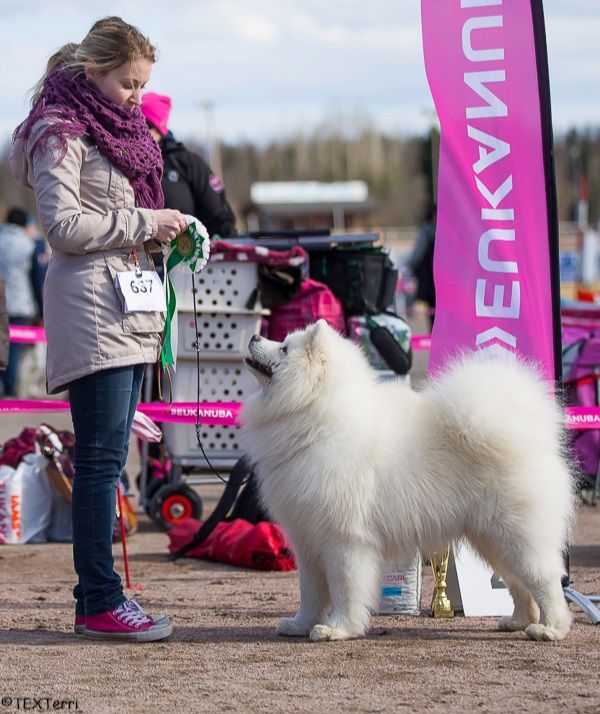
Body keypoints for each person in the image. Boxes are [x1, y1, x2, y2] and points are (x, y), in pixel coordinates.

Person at [10, 16, 186, 642]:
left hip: (126, 307)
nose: (137, 97)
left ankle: (98, 598)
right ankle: (101, 602)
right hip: (91, 309)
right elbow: (62, 228)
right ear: (94, 72)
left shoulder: (117, 129)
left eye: (143, 85)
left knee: (109, 460)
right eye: (128, 84)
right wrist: (144, 222)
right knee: (102, 463)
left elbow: (113, 214)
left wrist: (170, 230)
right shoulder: (59, 133)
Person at [141, 92, 237, 238]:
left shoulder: (188, 163)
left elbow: (219, 216)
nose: (142, 131)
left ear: (160, 127)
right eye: (137, 123)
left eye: (147, 125)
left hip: (184, 256)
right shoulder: (124, 163)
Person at [0, 207, 37, 396]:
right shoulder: (29, 244)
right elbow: (36, 275)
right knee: (13, 348)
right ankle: (9, 388)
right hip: (19, 303)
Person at [407, 203, 437, 330]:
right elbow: (416, 258)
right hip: (431, 282)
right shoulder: (427, 232)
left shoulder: (427, 231)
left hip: (435, 282)